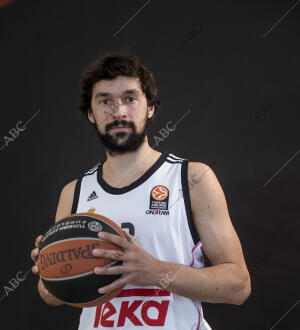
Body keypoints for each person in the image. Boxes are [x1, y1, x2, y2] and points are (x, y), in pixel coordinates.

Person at [31, 51, 251, 329]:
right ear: (91, 113)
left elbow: (239, 286)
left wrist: (155, 271)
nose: (119, 111)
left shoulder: (191, 178)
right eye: (105, 101)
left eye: (130, 98)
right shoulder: (73, 192)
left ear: (151, 107)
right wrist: (50, 270)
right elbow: (51, 296)